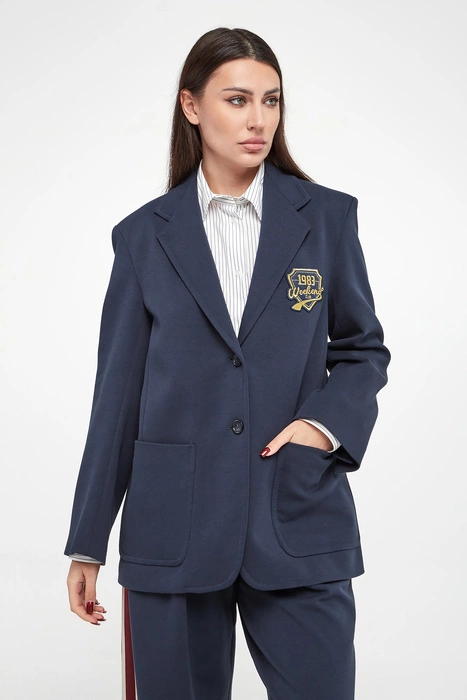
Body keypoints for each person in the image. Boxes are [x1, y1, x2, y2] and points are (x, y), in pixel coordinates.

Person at [65, 26, 391, 700]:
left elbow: (362, 349)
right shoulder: (142, 238)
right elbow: (116, 396)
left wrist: (320, 429)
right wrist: (88, 540)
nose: (258, 119)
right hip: (172, 530)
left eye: (271, 101)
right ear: (191, 106)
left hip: (296, 515)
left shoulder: (327, 219)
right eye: (237, 100)